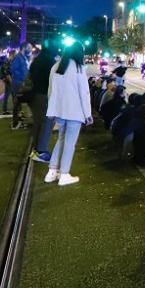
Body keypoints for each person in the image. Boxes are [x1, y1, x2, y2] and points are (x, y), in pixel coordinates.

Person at [43, 43, 92, 186]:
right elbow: (84, 93)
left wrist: (52, 110)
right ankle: (64, 173)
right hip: (75, 112)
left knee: (61, 139)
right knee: (70, 143)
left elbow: (50, 91)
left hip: (60, 111)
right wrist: (88, 114)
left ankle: (52, 172)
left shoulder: (57, 66)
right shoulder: (78, 68)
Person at [27, 45, 57, 162]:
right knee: (47, 123)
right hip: (45, 95)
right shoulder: (51, 62)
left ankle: (36, 148)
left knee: (38, 123)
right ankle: (41, 151)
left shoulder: (36, 60)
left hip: (34, 95)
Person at [9, 46, 30, 128]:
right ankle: (15, 122)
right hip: (18, 83)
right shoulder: (18, 57)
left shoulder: (22, 57)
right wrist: (22, 78)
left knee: (19, 102)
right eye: (29, 47)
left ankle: (19, 119)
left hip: (21, 82)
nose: (30, 49)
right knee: (17, 102)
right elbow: (13, 69)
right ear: (23, 48)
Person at [0, 51, 15, 117]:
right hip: (9, 82)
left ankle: (13, 109)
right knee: (8, 96)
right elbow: (7, 73)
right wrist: (11, 82)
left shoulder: (9, 61)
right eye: (14, 55)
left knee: (12, 96)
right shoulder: (7, 62)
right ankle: (5, 110)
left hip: (10, 81)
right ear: (12, 55)